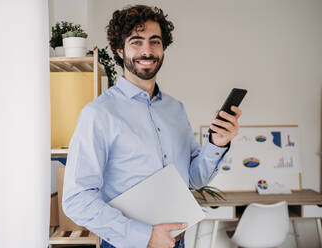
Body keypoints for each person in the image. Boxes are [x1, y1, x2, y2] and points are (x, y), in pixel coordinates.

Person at [62, 5, 242, 248]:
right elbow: (76, 199)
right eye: (136, 41)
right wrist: (144, 236)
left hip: (177, 241)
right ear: (119, 50)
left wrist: (217, 144)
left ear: (163, 48)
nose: (147, 50)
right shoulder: (98, 114)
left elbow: (193, 179)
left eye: (154, 41)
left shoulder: (175, 109)